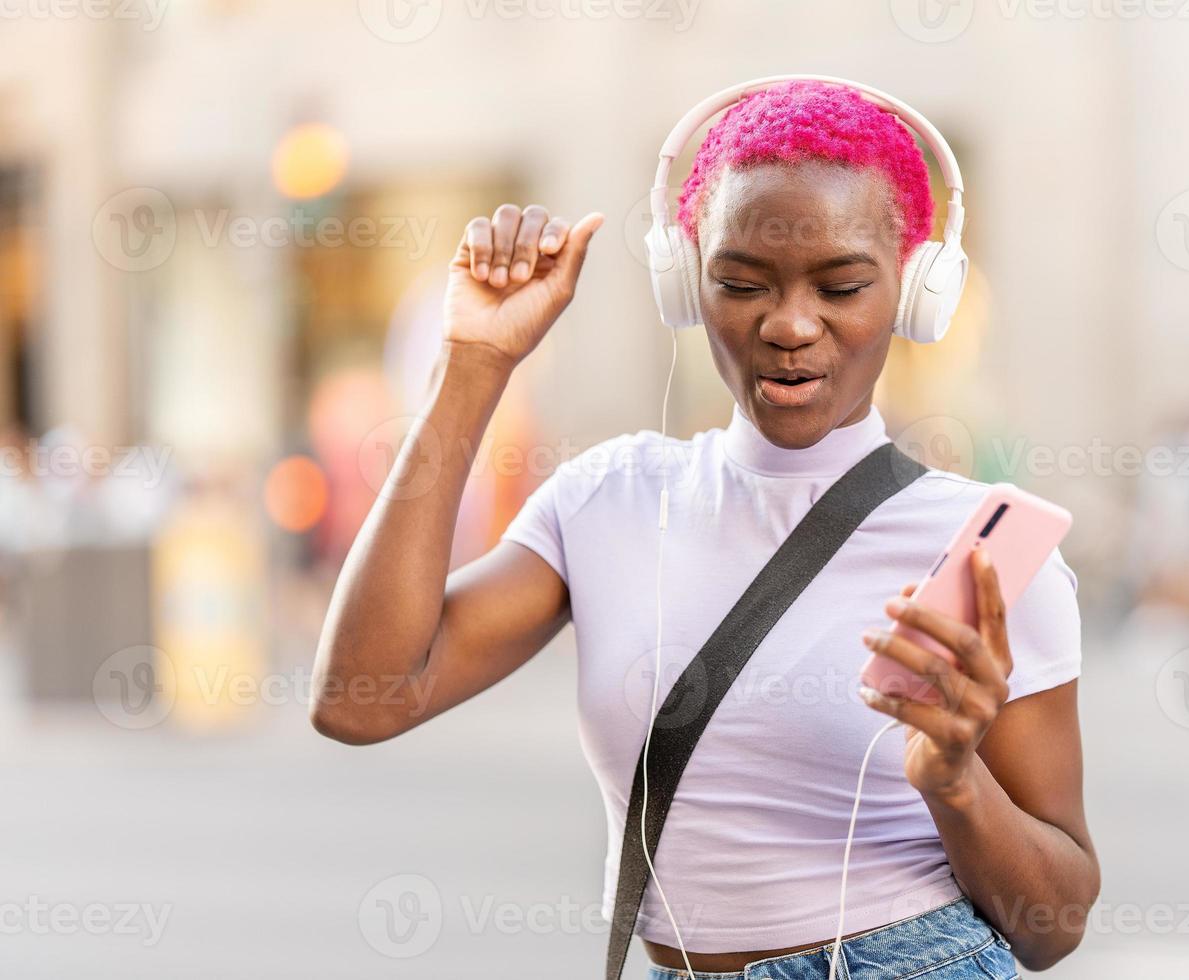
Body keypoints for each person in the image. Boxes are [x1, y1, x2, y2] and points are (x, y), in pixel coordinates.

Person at [311, 80, 1098, 978]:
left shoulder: (984, 554)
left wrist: (955, 779)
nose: (790, 325)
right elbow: (359, 700)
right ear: (685, 284)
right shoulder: (607, 498)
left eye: (840, 285)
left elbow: (1054, 923)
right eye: (738, 282)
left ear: (916, 291)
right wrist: (474, 364)